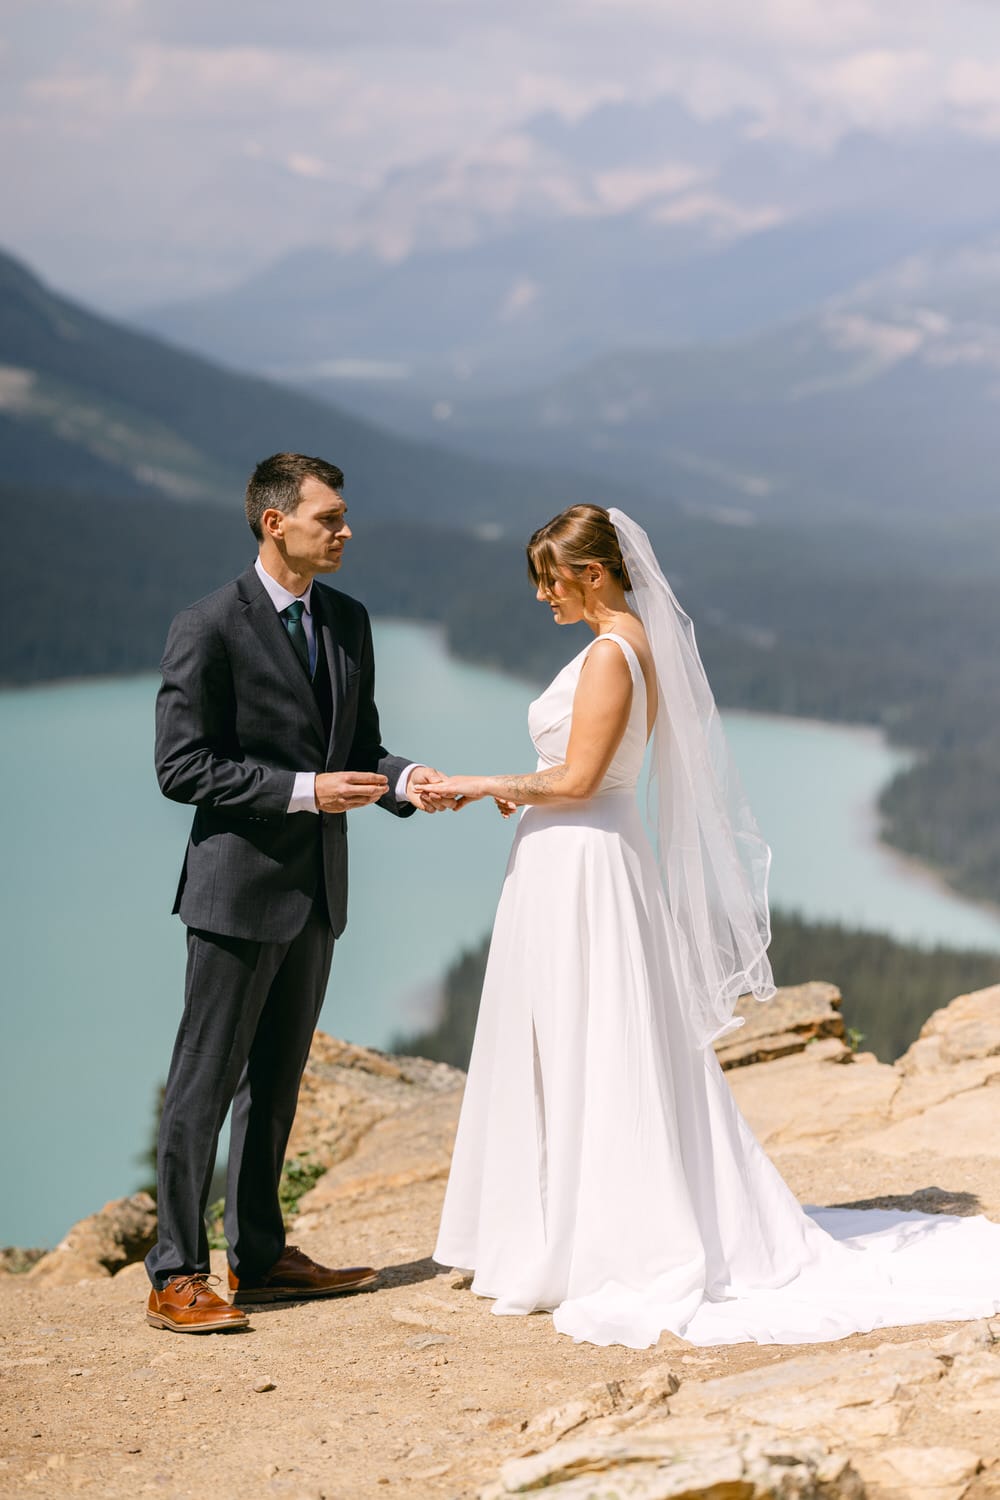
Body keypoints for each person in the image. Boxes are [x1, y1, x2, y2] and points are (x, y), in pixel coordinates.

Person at [427, 503, 1000, 1348]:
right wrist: (525, 786)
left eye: (551, 579)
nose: (542, 596)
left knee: (593, 1034)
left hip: (584, 859)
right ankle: (562, 1226)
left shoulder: (611, 653)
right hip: (578, 853)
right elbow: (588, 774)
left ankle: (589, 1236)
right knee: (583, 1031)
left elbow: (583, 777)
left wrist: (479, 782)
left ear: (592, 573)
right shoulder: (630, 645)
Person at [145, 452, 453, 1334]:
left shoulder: (348, 621)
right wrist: (302, 791)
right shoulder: (206, 625)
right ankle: (174, 1273)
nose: (345, 531)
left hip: (317, 890)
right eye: (330, 518)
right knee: (202, 1086)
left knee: (276, 1086)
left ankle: (261, 1258)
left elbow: (359, 747)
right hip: (236, 893)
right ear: (275, 522)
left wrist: (405, 780)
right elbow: (181, 768)